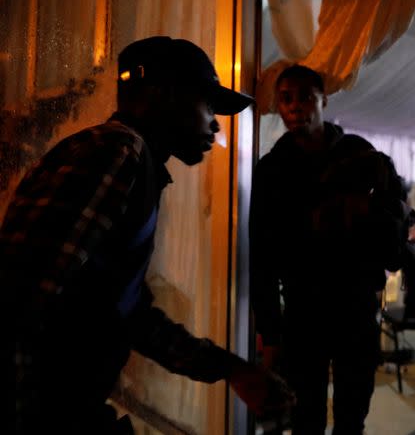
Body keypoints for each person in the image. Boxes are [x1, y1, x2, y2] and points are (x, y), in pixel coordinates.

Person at [1, 36, 293, 434]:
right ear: (163, 93)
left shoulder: (133, 163)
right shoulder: (117, 152)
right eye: (207, 104)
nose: (215, 122)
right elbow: (19, 297)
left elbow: (126, 313)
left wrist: (232, 370)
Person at [250, 64, 413, 435]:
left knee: (352, 412)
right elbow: (261, 255)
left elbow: (397, 222)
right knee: (305, 413)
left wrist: (366, 211)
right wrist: (270, 331)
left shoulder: (361, 155)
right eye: (285, 98)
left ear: (323, 99)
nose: (294, 107)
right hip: (303, 309)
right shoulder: (272, 170)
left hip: (356, 305)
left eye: (305, 96)